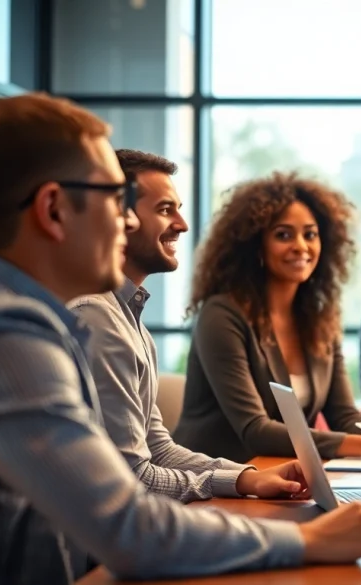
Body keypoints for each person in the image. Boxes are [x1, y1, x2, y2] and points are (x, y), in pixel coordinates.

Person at [0, 93, 361, 585]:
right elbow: (127, 525)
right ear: (54, 209)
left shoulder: (53, 321)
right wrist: (309, 540)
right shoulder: (9, 337)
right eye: (114, 200)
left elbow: (151, 455)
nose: (126, 221)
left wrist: (244, 480)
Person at [70, 149, 305, 503]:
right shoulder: (97, 317)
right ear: (119, 216)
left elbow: (159, 449)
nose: (182, 224)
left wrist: (246, 477)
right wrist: (235, 483)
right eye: (166, 209)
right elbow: (134, 478)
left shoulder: (131, 322)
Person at [174, 172, 361, 463]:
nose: (301, 246)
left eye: (310, 234)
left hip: (283, 476)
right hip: (212, 480)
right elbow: (255, 430)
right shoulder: (222, 315)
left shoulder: (319, 319)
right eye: (283, 235)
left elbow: (342, 414)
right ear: (256, 245)